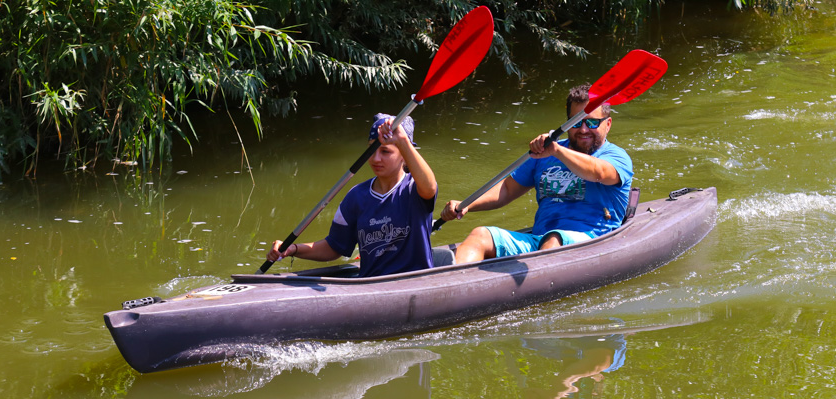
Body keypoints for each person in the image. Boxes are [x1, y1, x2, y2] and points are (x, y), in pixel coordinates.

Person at [440, 84, 634, 263]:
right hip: (540, 240)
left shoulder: (616, 157)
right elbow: (507, 189)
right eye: (576, 122)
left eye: (592, 123)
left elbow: (598, 172)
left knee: (554, 238)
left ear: (607, 124)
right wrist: (465, 205)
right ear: (567, 123)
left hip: (591, 241)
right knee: (480, 235)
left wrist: (557, 151)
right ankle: (448, 290)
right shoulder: (546, 154)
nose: (583, 129)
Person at [266, 113, 438, 277]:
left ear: (404, 156)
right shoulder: (356, 196)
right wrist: (293, 249)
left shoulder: (414, 188)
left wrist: (403, 142)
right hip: (370, 283)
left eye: (385, 151)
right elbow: (334, 247)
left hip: (414, 281)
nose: (375, 159)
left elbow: (430, 187)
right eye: (371, 150)